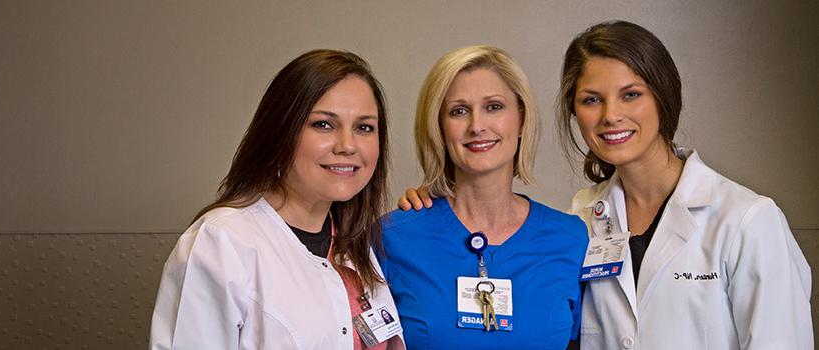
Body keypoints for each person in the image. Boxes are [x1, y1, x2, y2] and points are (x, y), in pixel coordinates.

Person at [401, 21, 813, 349]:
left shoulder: (746, 220)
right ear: (574, 111)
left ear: (663, 97)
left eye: (631, 94)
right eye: (591, 99)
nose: (610, 116)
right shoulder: (579, 219)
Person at [150, 49, 404, 349]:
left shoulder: (355, 244)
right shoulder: (222, 242)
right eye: (323, 124)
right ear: (281, 131)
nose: (348, 145)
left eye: (364, 128)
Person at [380, 45, 588, 349]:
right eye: (458, 111)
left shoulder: (570, 239)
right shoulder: (391, 238)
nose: (477, 126)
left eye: (493, 106)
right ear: (438, 127)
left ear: (521, 118)